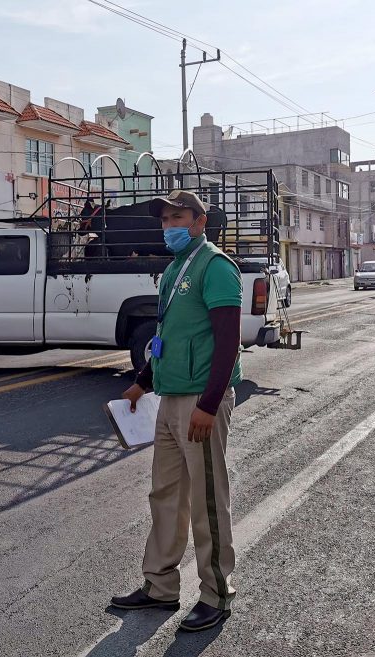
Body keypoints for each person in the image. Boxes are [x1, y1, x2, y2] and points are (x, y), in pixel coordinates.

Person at [111, 189, 243, 633]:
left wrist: (209, 404)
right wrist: (142, 383)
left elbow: (228, 342)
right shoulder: (173, 270)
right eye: (165, 219)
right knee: (165, 494)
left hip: (200, 401)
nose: (170, 226)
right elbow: (168, 334)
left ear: (200, 222)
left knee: (207, 500)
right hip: (170, 398)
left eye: (179, 217)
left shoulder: (216, 267)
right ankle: (160, 586)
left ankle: (216, 593)